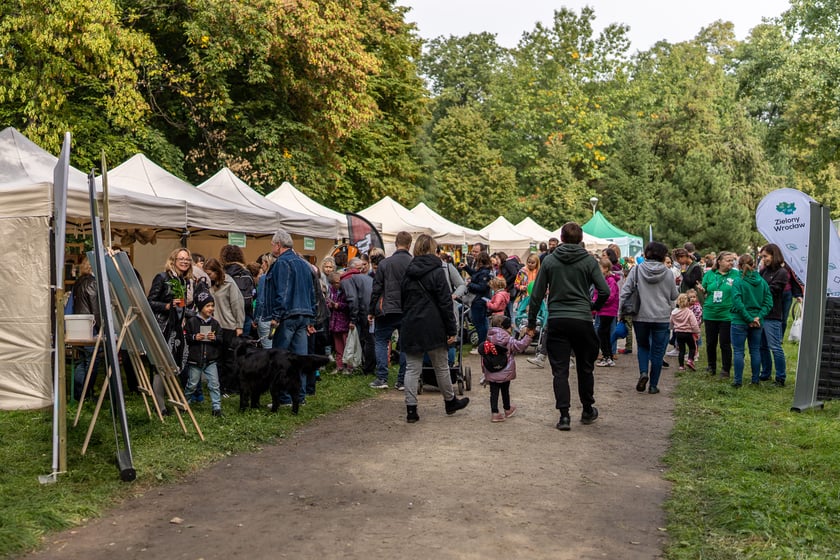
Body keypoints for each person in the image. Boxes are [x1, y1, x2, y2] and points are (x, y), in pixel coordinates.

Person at [526, 222, 608, 431]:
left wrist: (531, 323)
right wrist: (593, 307)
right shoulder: (589, 261)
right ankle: (588, 409)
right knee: (585, 367)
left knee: (559, 370)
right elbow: (604, 290)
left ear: (561, 239)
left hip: (558, 319)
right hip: (582, 318)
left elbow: (536, 295)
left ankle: (564, 416)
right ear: (581, 239)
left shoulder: (550, 261)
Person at [400, 234, 469, 423]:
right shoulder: (438, 271)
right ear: (433, 249)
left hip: (412, 323)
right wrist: (452, 329)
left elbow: (402, 299)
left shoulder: (409, 271)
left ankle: (411, 410)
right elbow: (445, 303)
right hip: (433, 325)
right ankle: (450, 401)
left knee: (412, 369)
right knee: (441, 366)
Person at [265, 228, 317, 401]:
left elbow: (283, 292)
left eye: (272, 244)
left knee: (282, 358)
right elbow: (313, 292)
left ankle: (285, 397)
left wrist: (276, 316)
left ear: (278, 245)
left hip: (288, 316)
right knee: (299, 358)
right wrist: (312, 318)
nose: (272, 247)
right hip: (304, 314)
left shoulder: (282, 263)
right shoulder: (304, 263)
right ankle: (299, 396)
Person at [620, 241, 678, 395]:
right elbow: (674, 295)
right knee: (658, 352)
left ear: (646, 254)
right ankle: (653, 385)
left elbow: (625, 291)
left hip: (641, 316)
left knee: (643, 346)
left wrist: (620, 311)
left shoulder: (637, 270)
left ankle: (643, 372)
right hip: (661, 317)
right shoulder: (668, 273)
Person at [368, 231, 412, 390]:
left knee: (381, 341)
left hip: (386, 309)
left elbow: (376, 289)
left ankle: (382, 378)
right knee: (405, 345)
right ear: (409, 244)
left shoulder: (385, 264)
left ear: (395, 243)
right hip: (407, 310)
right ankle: (402, 381)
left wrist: (371, 310)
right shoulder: (413, 263)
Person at [203, 258, 245, 396]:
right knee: (216, 358)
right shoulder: (209, 284)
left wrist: (239, 325)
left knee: (229, 359)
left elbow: (237, 304)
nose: (208, 276)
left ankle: (230, 387)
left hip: (228, 326)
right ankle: (219, 387)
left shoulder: (229, 283)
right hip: (214, 325)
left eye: (209, 273)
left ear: (217, 271)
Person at [730, 254, 772, 388]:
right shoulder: (762, 281)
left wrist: (748, 318)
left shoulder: (738, 281)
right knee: (755, 350)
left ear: (738, 266)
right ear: (754, 265)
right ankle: (755, 380)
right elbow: (768, 302)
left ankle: (738, 381)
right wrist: (758, 317)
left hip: (740, 321)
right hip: (757, 321)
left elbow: (737, 302)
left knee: (738, 351)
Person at [481, 315, 531, 422]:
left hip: (491, 370)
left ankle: (495, 413)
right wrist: (528, 336)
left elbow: (484, 356)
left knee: (493, 392)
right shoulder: (508, 340)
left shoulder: (488, 339)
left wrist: (484, 371)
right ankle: (507, 409)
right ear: (505, 327)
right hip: (505, 371)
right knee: (505, 390)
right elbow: (520, 346)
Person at [697, 251, 739, 379]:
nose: (731, 263)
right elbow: (704, 290)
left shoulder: (736, 274)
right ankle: (711, 366)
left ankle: (725, 370)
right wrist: (702, 290)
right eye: (728, 260)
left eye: (732, 260)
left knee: (725, 343)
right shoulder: (709, 274)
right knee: (711, 342)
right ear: (719, 262)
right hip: (711, 313)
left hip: (727, 314)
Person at [184, 291, 223, 416]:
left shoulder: (215, 323)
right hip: (195, 360)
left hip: (210, 360)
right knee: (192, 384)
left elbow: (221, 339)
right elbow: (187, 337)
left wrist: (215, 338)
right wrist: (195, 337)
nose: (211, 308)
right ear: (200, 307)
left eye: (212, 305)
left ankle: (216, 407)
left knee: (214, 384)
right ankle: (185, 403)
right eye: (208, 306)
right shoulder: (192, 322)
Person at [71, 257, 102, 401]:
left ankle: (79, 394)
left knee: (83, 360)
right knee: (92, 361)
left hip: (79, 324)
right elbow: (95, 309)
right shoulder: (92, 283)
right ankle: (85, 394)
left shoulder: (79, 281)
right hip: (90, 326)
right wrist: (102, 327)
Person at [758, 244, 789, 387]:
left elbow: (773, 290)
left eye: (765, 256)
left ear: (774, 255)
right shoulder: (764, 271)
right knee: (762, 346)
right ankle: (765, 373)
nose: (763, 259)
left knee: (775, 346)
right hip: (761, 314)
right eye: (762, 256)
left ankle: (780, 377)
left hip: (773, 315)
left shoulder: (782, 272)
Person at [341, 257, 375, 375]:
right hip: (372, 310)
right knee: (372, 340)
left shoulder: (347, 279)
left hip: (364, 312)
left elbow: (352, 299)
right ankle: (371, 367)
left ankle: (368, 368)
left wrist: (353, 320)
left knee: (368, 341)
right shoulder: (367, 278)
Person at [220, 245, 256, 337]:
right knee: (244, 347)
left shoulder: (222, 274)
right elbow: (254, 294)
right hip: (245, 316)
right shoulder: (247, 273)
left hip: (225, 317)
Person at [464, 251, 493, 351]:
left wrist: (469, 284)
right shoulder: (484, 271)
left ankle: (482, 346)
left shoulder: (484, 272)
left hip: (479, 300)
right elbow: (476, 275)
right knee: (482, 322)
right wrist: (466, 268)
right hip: (481, 300)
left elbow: (482, 287)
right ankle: (484, 344)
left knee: (479, 323)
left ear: (480, 261)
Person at [595, 258, 620, 368]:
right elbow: (596, 292)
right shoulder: (602, 280)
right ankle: (608, 355)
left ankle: (607, 356)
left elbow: (610, 296)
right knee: (603, 333)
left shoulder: (611, 281)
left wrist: (599, 302)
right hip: (602, 310)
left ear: (605, 268)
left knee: (602, 332)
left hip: (608, 311)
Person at [327, 272, 352, 373]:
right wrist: (329, 304)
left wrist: (339, 305)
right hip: (335, 321)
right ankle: (339, 365)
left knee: (347, 345)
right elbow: (328, 300)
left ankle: (349, 367)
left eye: (337, 282)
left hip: (345, 320)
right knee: (338, 346)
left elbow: (350, 304)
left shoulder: (346, 289)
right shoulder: (332, 290)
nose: (337, 285)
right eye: (334, 283)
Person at [670, 294, 700, 371]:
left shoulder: (674, 312)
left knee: (681, 350)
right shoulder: (689, 312)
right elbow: (694, 324)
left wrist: (672, 328)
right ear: (687, 302)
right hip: (688, 333)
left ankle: (681, 366)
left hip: (678, 333)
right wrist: (697, 332)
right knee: (692, 347)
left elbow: (671, 322)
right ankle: (690, 360)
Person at [253, 254, 276, 349]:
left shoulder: (264, 278)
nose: (261, 265)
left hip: (265, 318)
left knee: (268, 351)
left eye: (263, 262)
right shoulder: (281, 277)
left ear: (267, 263)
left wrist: (256, 319)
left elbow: (260, 301)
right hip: (278, 318)